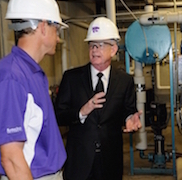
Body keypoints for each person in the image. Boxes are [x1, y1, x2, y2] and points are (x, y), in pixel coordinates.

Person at [55, 17, 142, 180]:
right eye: (92, 45)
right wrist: (81, 112)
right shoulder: (71, 78)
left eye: (100, 45)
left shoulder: (125, 81)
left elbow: (128, 110)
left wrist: (131, 118)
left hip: (110, 161)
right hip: (79, 162)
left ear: (114, 49)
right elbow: (58, 115)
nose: (94, 50)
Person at [0, 0, 68, 179]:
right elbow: (11, 158)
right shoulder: (11, 76)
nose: (58, 38)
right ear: (43, 27)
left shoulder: (31, 71)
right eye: (56, 29)